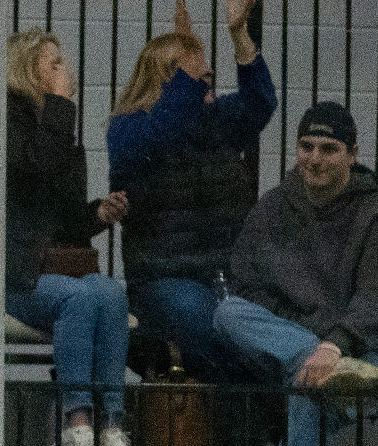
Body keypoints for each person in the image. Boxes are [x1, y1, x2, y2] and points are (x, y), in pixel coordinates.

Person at [0, 29, 135, 446]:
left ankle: (111, 424)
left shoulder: (56, 130)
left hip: (39, 266)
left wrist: (97, 213)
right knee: (77, 299)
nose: (66, 71)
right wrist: (61, 106)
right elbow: (29, 171)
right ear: (28, 69)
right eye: (54, 63)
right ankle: (76, 426)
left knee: (109, 293)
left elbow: (62, 218)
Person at [213, 102, 378, 446]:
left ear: (352, 153)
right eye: (305, 146)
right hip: (303, 347)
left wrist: (336, 344)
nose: (314, 158)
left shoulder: (377, 217)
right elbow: (246, 286)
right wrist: (315, 345)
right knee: (227, 313)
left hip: (363, 352)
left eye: (328, 149)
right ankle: (322, 366)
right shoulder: (272, 207)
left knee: (311, 383)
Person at [108, 0, 276, 389]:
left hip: (226, 272)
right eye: (191, 67)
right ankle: (262, 431)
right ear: (163, 77)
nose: (207, 72)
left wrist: (239, 36)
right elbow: (165, 132)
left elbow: (260, 104)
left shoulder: (216, 120)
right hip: (164, 278)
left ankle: (265, 434)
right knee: (209, 329)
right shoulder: (128, 129)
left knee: (268, 327)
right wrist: (188, 65)